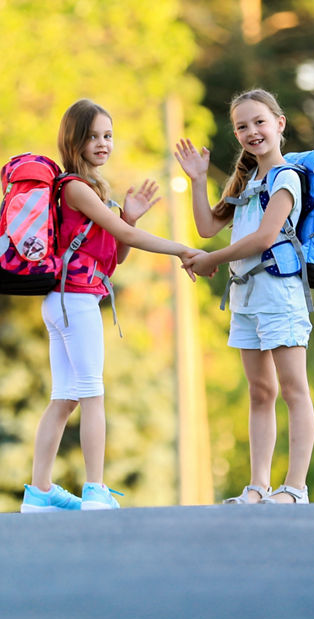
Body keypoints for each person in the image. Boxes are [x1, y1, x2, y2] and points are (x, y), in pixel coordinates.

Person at [22, 98, 198, 513]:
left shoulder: (87, 191)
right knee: (92, 395)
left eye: (108, 136)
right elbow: (127, 238)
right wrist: (183, 250)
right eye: (94, 136)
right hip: (75, 302)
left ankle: (39, 492)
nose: (103, 144)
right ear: (75, 140)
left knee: (64, 397)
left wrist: (131, 217)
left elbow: (116, 255)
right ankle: (95, 490)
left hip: (64, 300)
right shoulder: (76, 188)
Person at [174, 88, 314, 505]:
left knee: (293, 390)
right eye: (242, 126)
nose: (252, 131)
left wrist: (210, 259)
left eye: (259, 122)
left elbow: (265, 237)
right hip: (246, 298)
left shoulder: (286, 177)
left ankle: (295, 488)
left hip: (279, 295)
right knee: (259, 392)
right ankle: (258, 486)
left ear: (279, 124)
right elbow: (205, 227)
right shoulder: (249, 180)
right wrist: (198, 179)